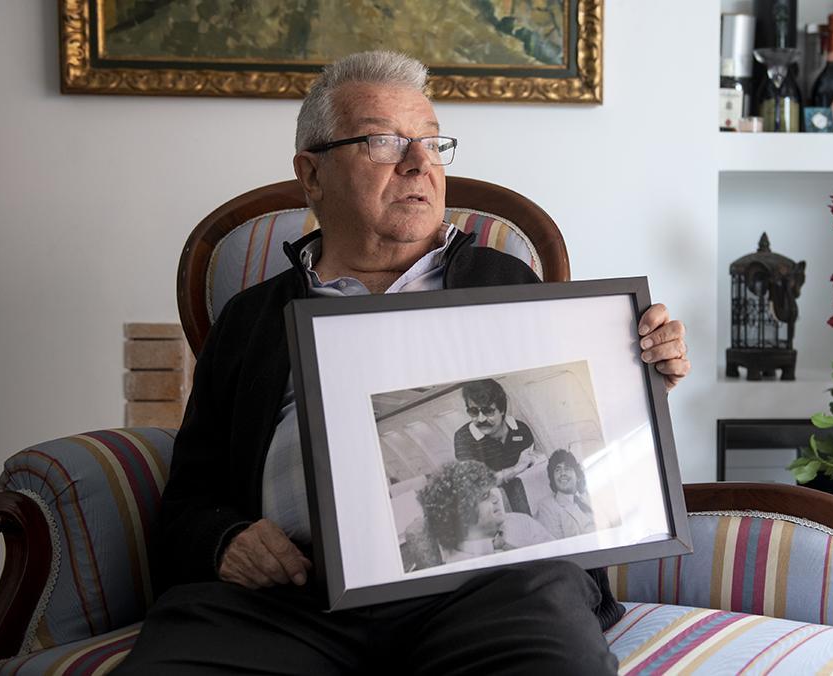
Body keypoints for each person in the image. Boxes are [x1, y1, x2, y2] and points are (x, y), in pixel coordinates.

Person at [115, 49, 689, 675]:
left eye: (434, 145)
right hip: (297, 601)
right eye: (385, 142)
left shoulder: (506, 283)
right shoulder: (251, 319)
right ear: (312, 175)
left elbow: (599, 446)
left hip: (488, 591)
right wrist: (225, 541)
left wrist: (644, 367)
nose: (420, 164)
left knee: (550, 631)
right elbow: (189, 499)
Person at [418, 460, 553, 564]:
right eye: (485, 496)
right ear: (461, 513)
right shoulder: (460, 565)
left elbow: (559, 556)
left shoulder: (521, 521)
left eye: (491, 492)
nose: (495, 499)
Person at [453, 378, 544, 514]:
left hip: (527, 499)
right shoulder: (464, 438)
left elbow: (532, 473)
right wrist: (515, 469)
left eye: (488, 411)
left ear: (502, 410)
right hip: (489, 508)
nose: (481, 419)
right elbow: (477, 485)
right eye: (473, 412)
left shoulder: (521, 431)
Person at [534, 448, 596, 539]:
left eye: (567, 468)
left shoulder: (589, 495)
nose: (562, 473)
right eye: (557, 470)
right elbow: (558, 546)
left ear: (578, 476)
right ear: (553, 479)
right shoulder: (547, 507)